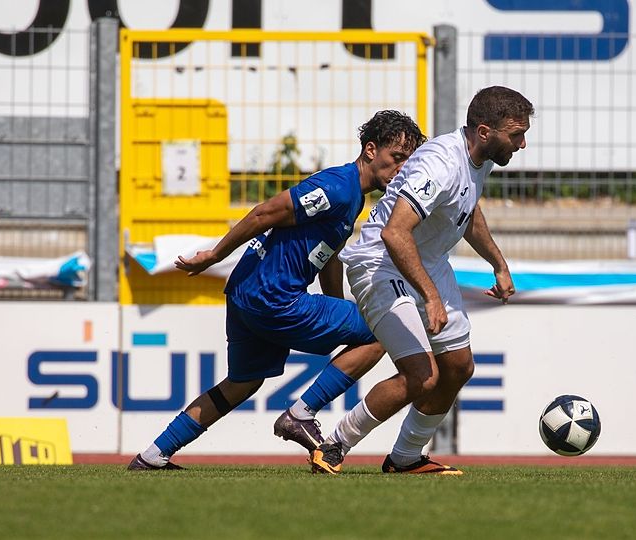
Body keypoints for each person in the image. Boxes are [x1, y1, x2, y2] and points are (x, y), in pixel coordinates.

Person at [128, 111, 425, 470]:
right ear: (371, 150)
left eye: (408, 160)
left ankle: (152, 456)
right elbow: (265, 213)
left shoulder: (352, 197)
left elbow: (329, 255)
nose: (402, 167)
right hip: (273, 297)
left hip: (246, 292)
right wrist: (215, 254)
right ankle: (301, 414)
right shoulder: (337, 187)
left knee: (242, 383)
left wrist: (335, 305)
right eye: (397, 157)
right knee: (380, 330)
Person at [309, 86, 534, 475]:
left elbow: (467, 210)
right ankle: (333, 445)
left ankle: (406, 458)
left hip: (425, 261)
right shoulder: (441, 163)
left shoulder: (479, 160)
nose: (522, 144)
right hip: (380, 263)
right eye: (516, 135)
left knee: (458, 366)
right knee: (422, 376)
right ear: (484, 132)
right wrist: (430, 296)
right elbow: (394, 233)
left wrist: (498, 264)